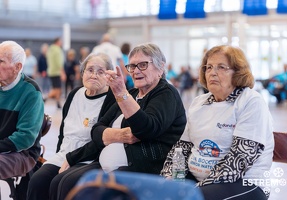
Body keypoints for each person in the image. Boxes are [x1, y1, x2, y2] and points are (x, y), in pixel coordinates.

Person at [47, 43, 187, 200]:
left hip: (145, 166)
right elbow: (97, 130)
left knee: (87, 187)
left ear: (161, 67)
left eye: (142, 65)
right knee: (62, 181)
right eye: (132, 66)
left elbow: (147, 129)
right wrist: (118, 135)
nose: (136, 71)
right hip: (108, 162)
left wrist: (121, 93)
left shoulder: (165, 93)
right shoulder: (132, 93)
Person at [161, 45, 274, 200]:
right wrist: (170, 177)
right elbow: (181, 148)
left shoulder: (250, 102)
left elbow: (238, 162)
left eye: (221, 67)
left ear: (238, 72)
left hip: (244, 183)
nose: (212, 72)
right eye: (209, 67)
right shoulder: (199, 102)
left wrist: (193, 189)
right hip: (200, 182)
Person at [27, 52, 116, 200]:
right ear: (82, 73)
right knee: (38, 180)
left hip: (90, 158)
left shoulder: (111, 99)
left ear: (109, 77)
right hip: (65, 154)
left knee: (60, 182)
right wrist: (59, 155)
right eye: (90, 70)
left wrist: (71, 158)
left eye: (101, 72)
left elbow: (101, 141)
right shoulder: (75, 94)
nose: (94, 75)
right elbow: (63, 132)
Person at [0, 41, 44, 179]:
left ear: (17, 67)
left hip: (23, 153)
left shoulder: (31, 92)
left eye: (0, 61)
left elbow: (25, 138)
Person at [46, 37, 66, 109]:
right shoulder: (57, 50)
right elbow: (59, 62)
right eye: (61, 41)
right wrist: (63, 73)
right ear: (58, 42)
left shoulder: (50, 49)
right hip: (57, 72)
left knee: (57, 89)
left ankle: (58, 103)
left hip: (51, 71)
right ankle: (44, 99)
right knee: (57, 89)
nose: (62, 43)